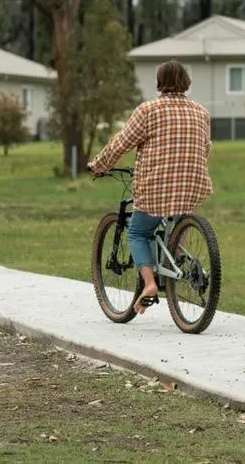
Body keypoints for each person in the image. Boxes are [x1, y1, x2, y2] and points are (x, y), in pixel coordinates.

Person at [87, 60, 213, 314]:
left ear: (159, 82)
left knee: (137, 233)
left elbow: (121, 143)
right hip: (192, 182)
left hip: (156, 184)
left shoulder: (148, 110)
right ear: (186, 82)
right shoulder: (201, 111)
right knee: (178, 219)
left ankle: (149, 284)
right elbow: (205, 147)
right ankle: (176, 257)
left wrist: (99, 165)